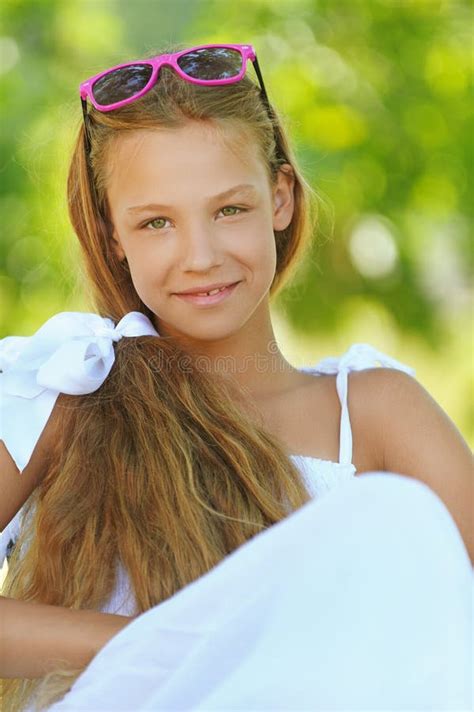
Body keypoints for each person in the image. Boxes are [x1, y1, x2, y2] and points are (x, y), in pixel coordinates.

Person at [0, 42, 472, 711]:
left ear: (279, 199)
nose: (200, 256)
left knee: (393, 518)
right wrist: (161, 642)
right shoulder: (74, 391)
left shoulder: (370, 413)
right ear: (112, 234)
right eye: (157, 222)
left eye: (229, 210)